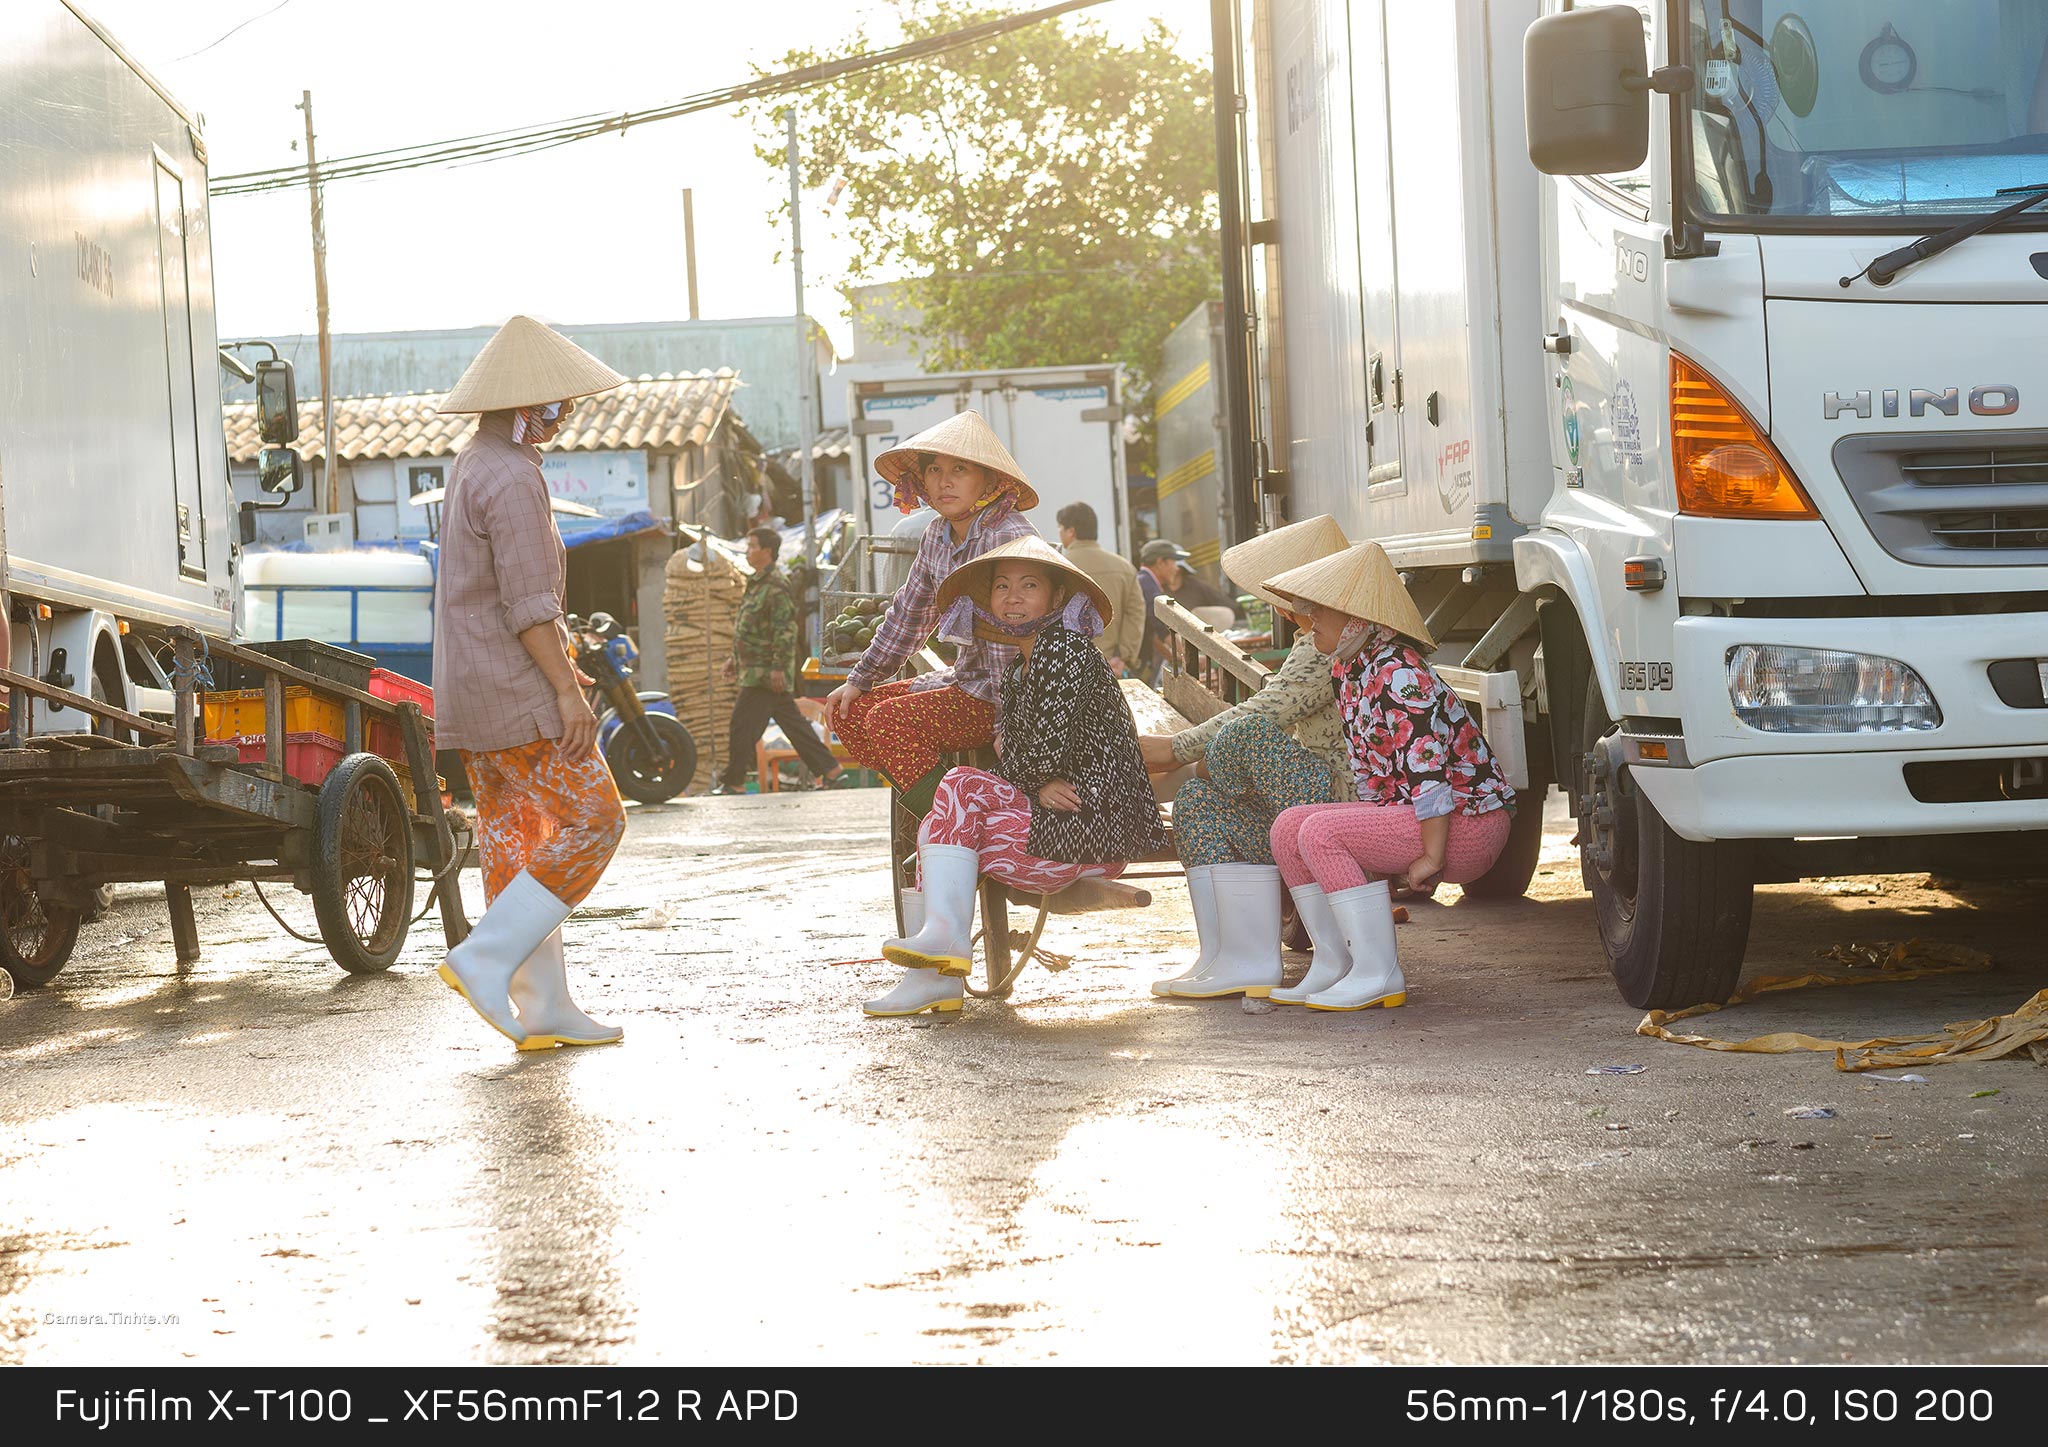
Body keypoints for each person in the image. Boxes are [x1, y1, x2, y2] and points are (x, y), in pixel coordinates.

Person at [864, 537, 1171, 1017]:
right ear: (987, 601)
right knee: (935, 824)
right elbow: (1020, 760)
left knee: (960, 786)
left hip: (1093, 834)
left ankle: (936, 965)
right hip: (1058, 827)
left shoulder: (1065, 651)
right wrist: (1036, 779)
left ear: (1056, 599)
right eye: (1002, 586)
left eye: (1029, 585)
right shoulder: (1019, 672)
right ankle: (935, 976)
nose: (1013, 596)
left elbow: (1038, 754)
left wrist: (1036, 776)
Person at [431, 315, 631, 1050]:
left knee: (518, 836)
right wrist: (568, 690)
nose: (566, 414)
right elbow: (530, 605)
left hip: (473, 692)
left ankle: (543, 1004)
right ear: (528, 406)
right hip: (516, 690)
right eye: (558, 404)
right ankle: (488, 953)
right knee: (596, 819)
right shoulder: (514, 477)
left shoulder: (474, 462)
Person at [1263, 542, 1515, 1012]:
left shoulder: (1397, 671)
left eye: (1321, 608)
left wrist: (1430, 858)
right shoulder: (1350, 668)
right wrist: (1379, 844)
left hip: (1469, 825)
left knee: (1320, 831)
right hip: (1420, 817)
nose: (1309, 616)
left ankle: (1378, 971)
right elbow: (1369, 774)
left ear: (1357, 618)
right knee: (1287, 827)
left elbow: (1430, 775)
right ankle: (1333, 964)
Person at [1141, 515, 1359, 1002]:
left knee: (1246, 736)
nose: (1278, 603)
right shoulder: (1312, 640)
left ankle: (1179, 774)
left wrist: (1176, 748)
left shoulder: (1340, 639)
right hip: (1308, 792)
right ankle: (1239, 957)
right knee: (1198, 802)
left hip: (1345, 794)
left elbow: (1268, 711)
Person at [823, 411, 1037, 818]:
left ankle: (962, 825)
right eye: (934, 470)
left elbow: (1040, 637)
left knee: (888, 722)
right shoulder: (937, 535)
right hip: (969, 683)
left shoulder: (1008, 536)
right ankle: (956, 804)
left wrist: (1011, 725)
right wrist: (859, 679)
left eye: (960, 469)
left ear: (988, 480)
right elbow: (909, 614)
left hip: (1012, 696)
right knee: (848, 713)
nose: (945, 481)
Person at [715, 527, 850, 794]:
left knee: (741, 724)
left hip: (765, 673)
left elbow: (785, 631)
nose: (748, 551)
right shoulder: (756, 583)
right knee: (794, 725)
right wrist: (734, 658)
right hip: (754, 668)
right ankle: (831, 770)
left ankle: (734, 780)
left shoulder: (776, 585)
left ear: (767, 552)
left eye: (752, 546)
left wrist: (778, 667)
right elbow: (751, 628)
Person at [1055, 500, 1144, 675]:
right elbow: (1136, 613)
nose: (1059, 533)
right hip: (1112, 667)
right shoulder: (1124, 567)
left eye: (1060, 528)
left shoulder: (1057, 566)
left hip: (1067, 668)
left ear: (1071, 531)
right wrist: (1124, 657)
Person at [1136, 538, 1234, 680]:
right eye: (1173, 562)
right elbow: (1162, 629)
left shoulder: (1144, 582)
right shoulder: (1148, 586)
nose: (1176, 568)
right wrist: (1191, 658)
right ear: (1160, 562)